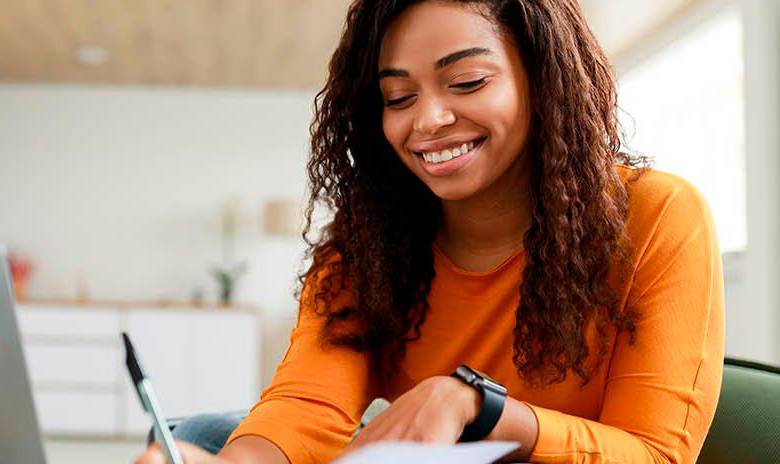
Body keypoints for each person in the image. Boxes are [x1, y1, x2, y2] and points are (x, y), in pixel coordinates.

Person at [134, 1, 725, 463]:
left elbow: (655, 453)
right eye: (399, 96)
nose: (428, 120)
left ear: (544, 81)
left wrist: (475, 405)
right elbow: (310, 402)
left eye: (467, 82)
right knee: (203, 436)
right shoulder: (368, 240)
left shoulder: (657, 214)